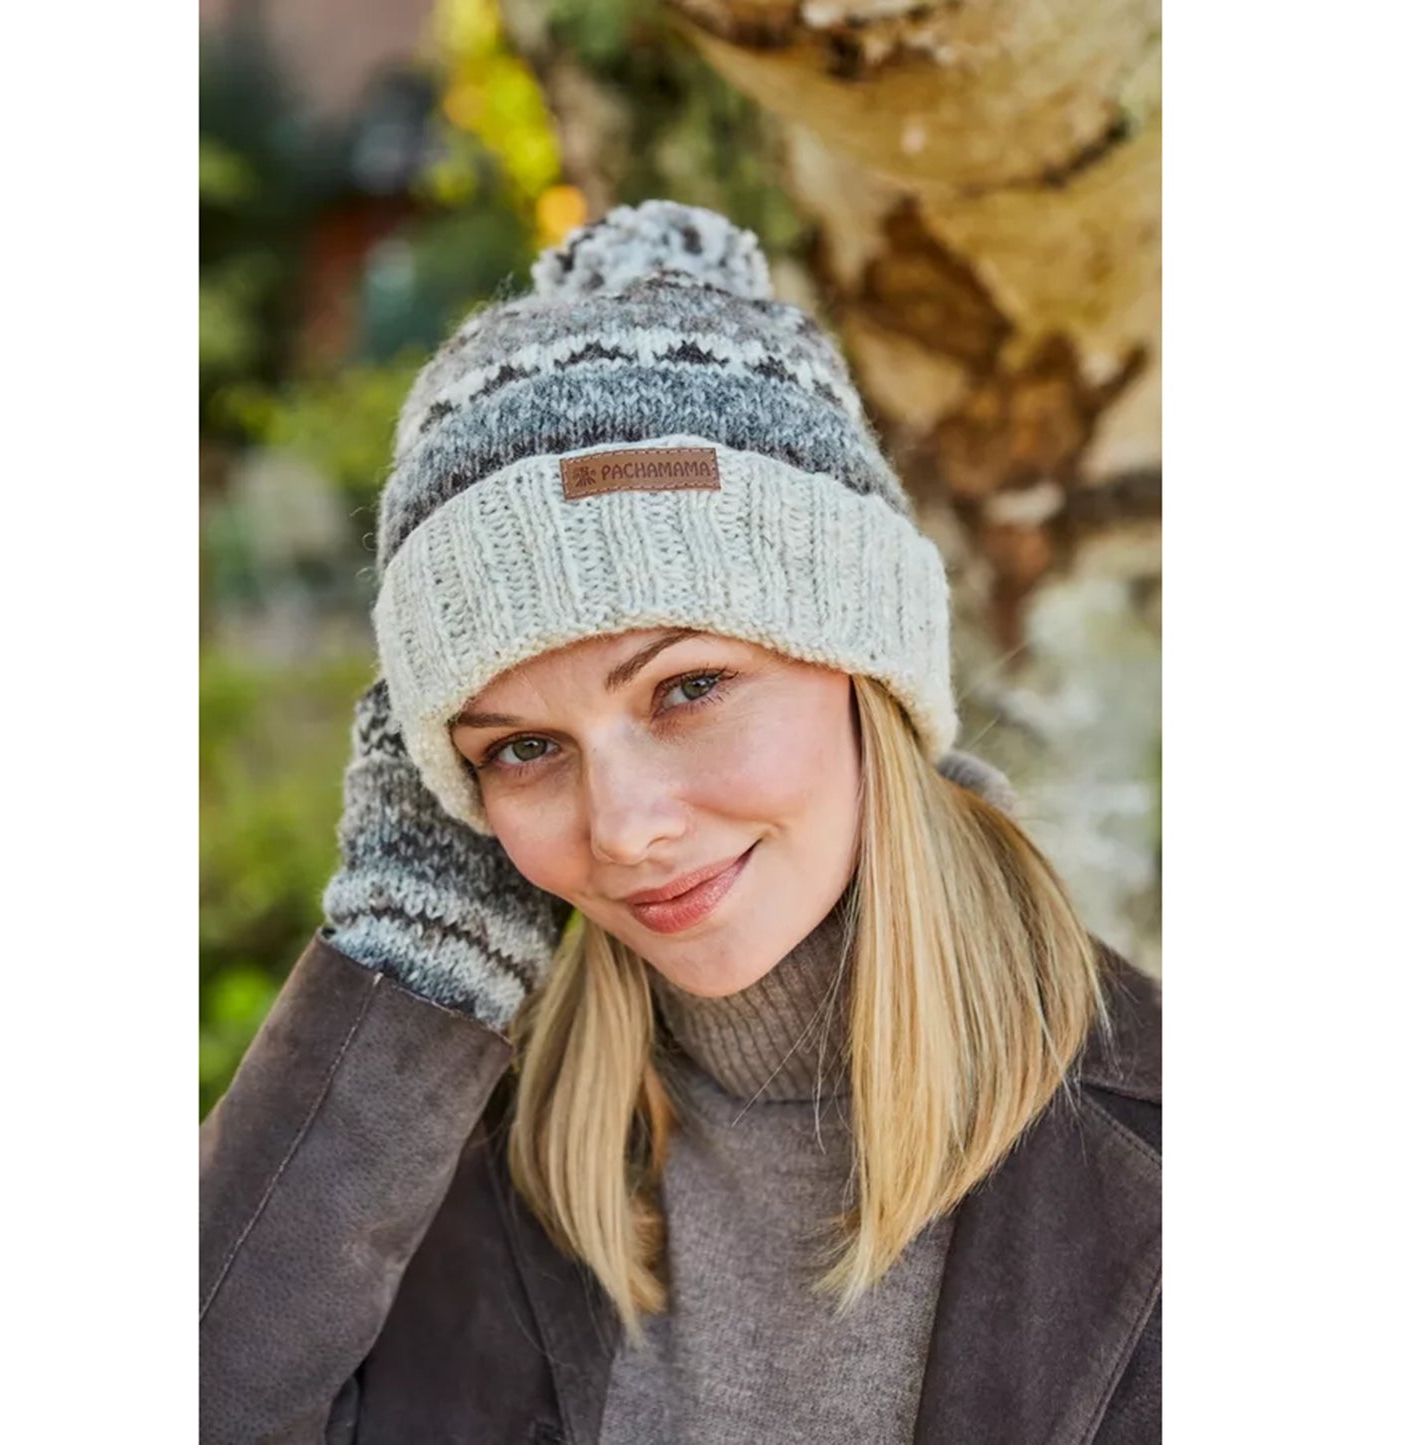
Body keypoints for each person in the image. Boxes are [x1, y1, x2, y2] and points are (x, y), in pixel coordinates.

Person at [199, 200, 1161, 1445]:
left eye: (688, 686)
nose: (627, 827)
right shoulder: (431, 1159)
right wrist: (410, 938)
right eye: (523, 748)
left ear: (864, 669)